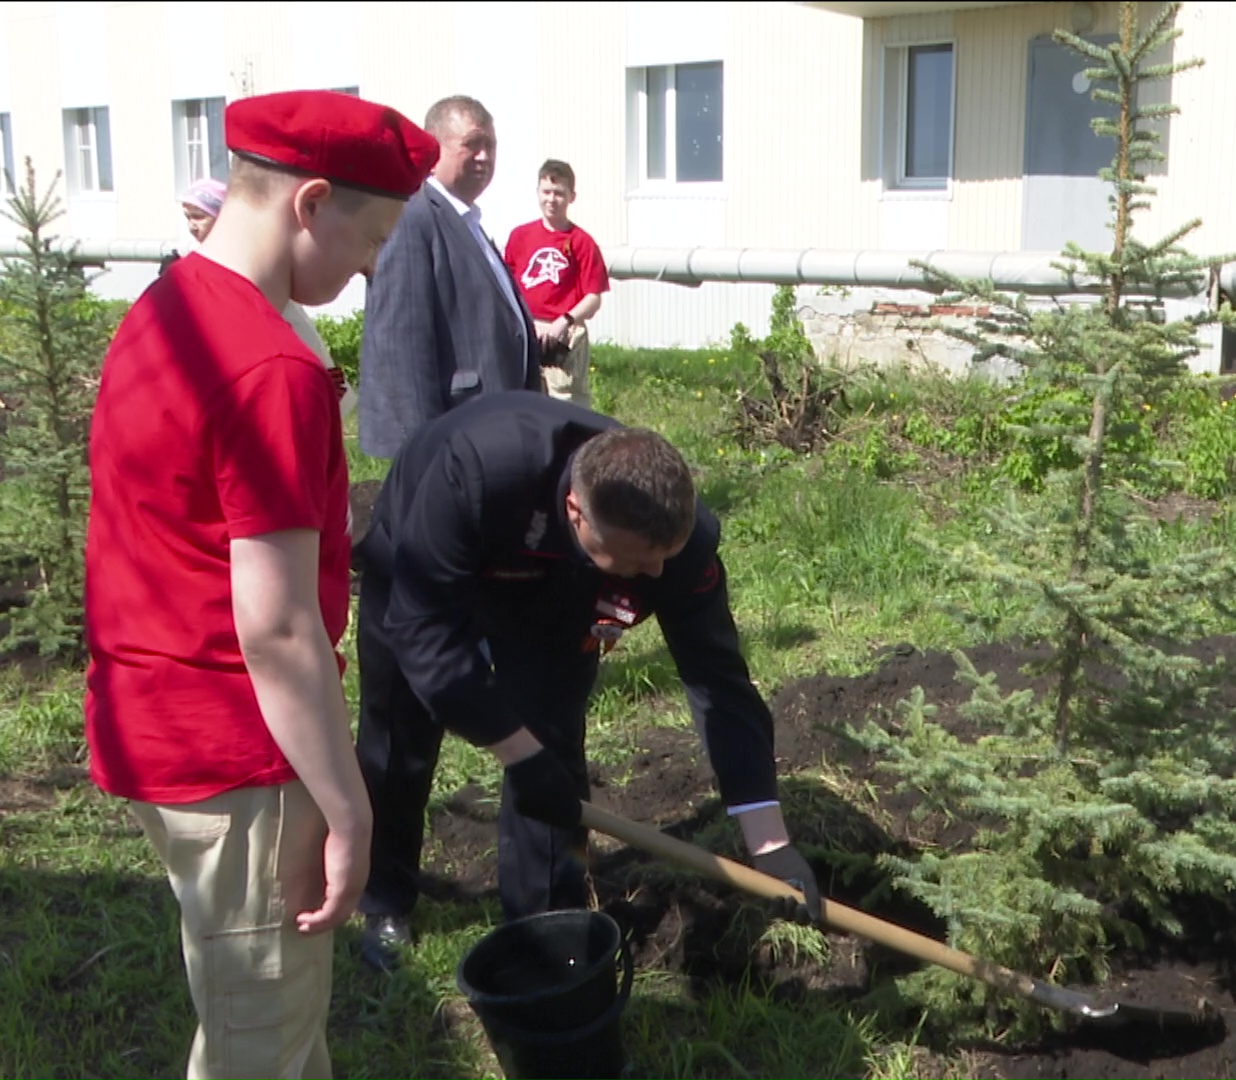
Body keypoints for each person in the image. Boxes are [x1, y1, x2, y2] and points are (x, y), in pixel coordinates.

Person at [85, 89, 438, 1079]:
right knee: (261, 1053)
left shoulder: (163, 311)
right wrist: (352, 807)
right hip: (243, 753)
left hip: (152, 721)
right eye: (372, 239)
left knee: (261, 1026)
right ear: (311, 203)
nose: (371, 269)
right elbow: (277, 628)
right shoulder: (269, 365)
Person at [352, 390, 822, 972]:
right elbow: (422, 632)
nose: (654, 576)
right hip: (429, 557)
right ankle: (385, 898)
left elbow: (720, 682)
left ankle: (548, 929)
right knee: (400, 727)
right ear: (577, 511)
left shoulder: (677, 545)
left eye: (663, 560)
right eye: (636, 563)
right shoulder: (476, 471)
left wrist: (769, 843)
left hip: (558, 588)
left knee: (552, 749)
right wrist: (515, 751)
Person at [357, 94, 540, 459]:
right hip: (453, 439)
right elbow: (400, 346)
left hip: (494, 430)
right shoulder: (413, 219)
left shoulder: (466, 221)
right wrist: (423, 454)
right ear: (434, 149)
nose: (485, 157)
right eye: (472, 144)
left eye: (490, 145)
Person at [161, 176, 359, 416]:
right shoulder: (182, 263)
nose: (193, 225)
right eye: (188, 218)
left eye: (199, 216)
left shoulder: (252, 263)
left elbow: (296, 331)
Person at [504, 159, 612, 409]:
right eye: (546, 192)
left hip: (565, 334)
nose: (551, 199)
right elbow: (506, 286)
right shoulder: (520, 236)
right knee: (524, 404)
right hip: (528, 331)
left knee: (566, 405)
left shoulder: (581, 242)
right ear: (538, 193)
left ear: (572, 197)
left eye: (559, 193)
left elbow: (593, 297)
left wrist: (563, 322)